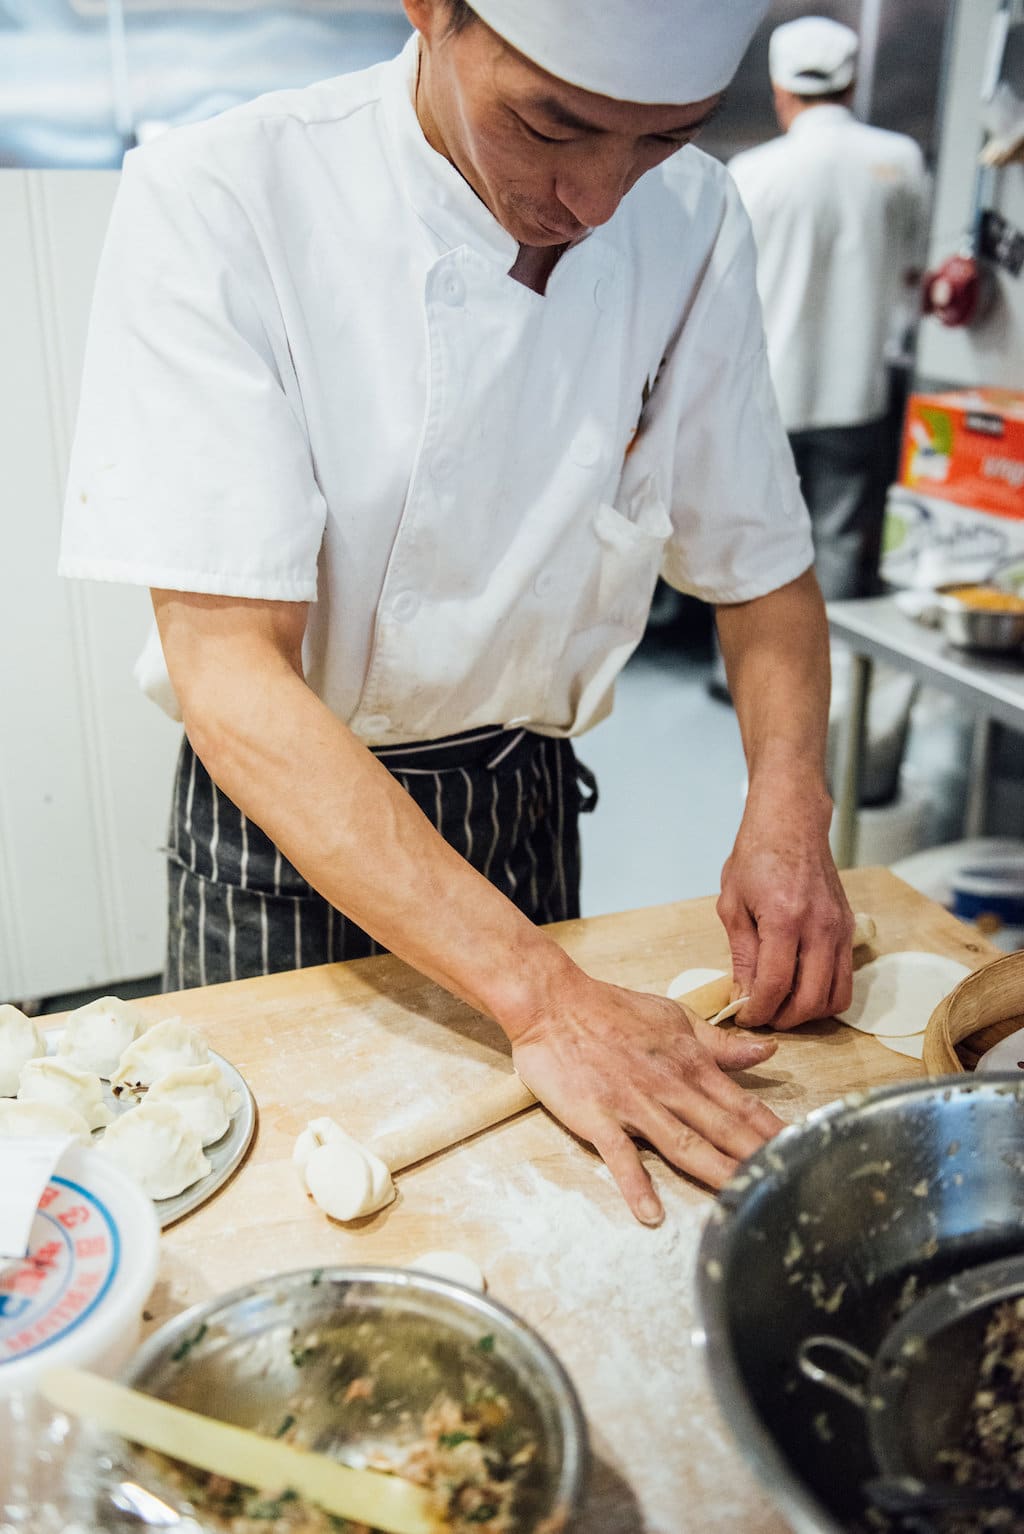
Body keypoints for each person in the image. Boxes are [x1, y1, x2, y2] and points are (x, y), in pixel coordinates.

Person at [60, 0, 855, 1226]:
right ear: (431, 10)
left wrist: (790, 801)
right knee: (276, 1230)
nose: (596, 201)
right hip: (280, 838)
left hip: (522, 804)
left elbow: (761, 570)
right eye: (553, 123)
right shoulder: (228, 194)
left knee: (549, 1220)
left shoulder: (693, 219)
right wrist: (542, 997)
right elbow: (229, 670)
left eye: (660, 140)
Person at [729, 15, 930, 601]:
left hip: (765, 392)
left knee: (751, 540)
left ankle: (738, 680)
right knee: (838, 536)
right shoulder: (900, 160)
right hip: (857, 393)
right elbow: (913, 270)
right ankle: (829, 681)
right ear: (850, 83)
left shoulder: (753, 172)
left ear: (780, 91)